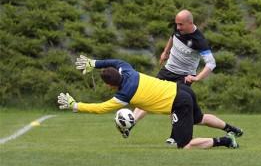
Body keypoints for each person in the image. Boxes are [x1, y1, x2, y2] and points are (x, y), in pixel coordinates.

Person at [58, 57, 239, 149]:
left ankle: (225, 141)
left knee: (184, 145)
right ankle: (232, 129)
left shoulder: (124, 95)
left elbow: (100, 108)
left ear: (109, 85)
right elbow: (114, 61)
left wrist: (75, 105)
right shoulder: (127, 69)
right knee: (198, 118)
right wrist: (94, 62)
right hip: (183, 90)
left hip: (179, 102)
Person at [133, 9, 243, 145]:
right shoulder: (178, 28)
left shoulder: (199, 40)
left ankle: (174, 136)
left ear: (190, 23)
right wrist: (165, 52)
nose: (177, 27)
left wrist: (197, 78)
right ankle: (132, 122)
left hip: (183, 77)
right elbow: (172, 37)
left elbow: (211, 63)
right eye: (176, 24)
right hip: (167, 70)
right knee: (151, 95)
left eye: (180, 25)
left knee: (176, 106)